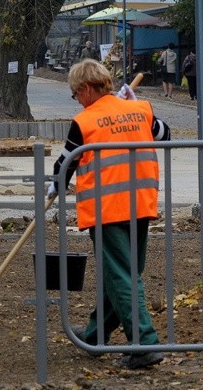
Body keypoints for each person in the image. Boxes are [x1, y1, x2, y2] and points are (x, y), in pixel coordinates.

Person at [50, 59, 170, 370]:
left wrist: (55, 186)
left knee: (121, 276)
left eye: (76, 93)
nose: (77, 99)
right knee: (124, 275)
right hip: (140, 203)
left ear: (87, 89)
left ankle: (144, 343)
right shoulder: (140, 108)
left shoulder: (85, 121)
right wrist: (133, 107)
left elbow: (64, 164)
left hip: (108, 209)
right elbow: (164, 135)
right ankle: (95, 336)